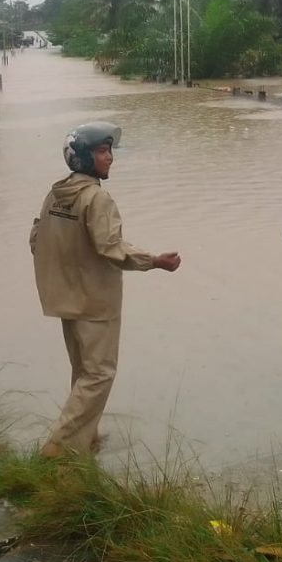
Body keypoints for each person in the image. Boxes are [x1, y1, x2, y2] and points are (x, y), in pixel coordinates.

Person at [29, 121, 181, 458]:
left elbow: (37, 240)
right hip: (96, 304)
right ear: (85, 157)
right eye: (101, 151)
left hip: (66, 300)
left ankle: (87, 440)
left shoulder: (56, 194)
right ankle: (59, 447)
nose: (109, 157)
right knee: (99, 375)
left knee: (84, 373)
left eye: (109, 150)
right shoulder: (96, 199)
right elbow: (110, 247)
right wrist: (154, 260)